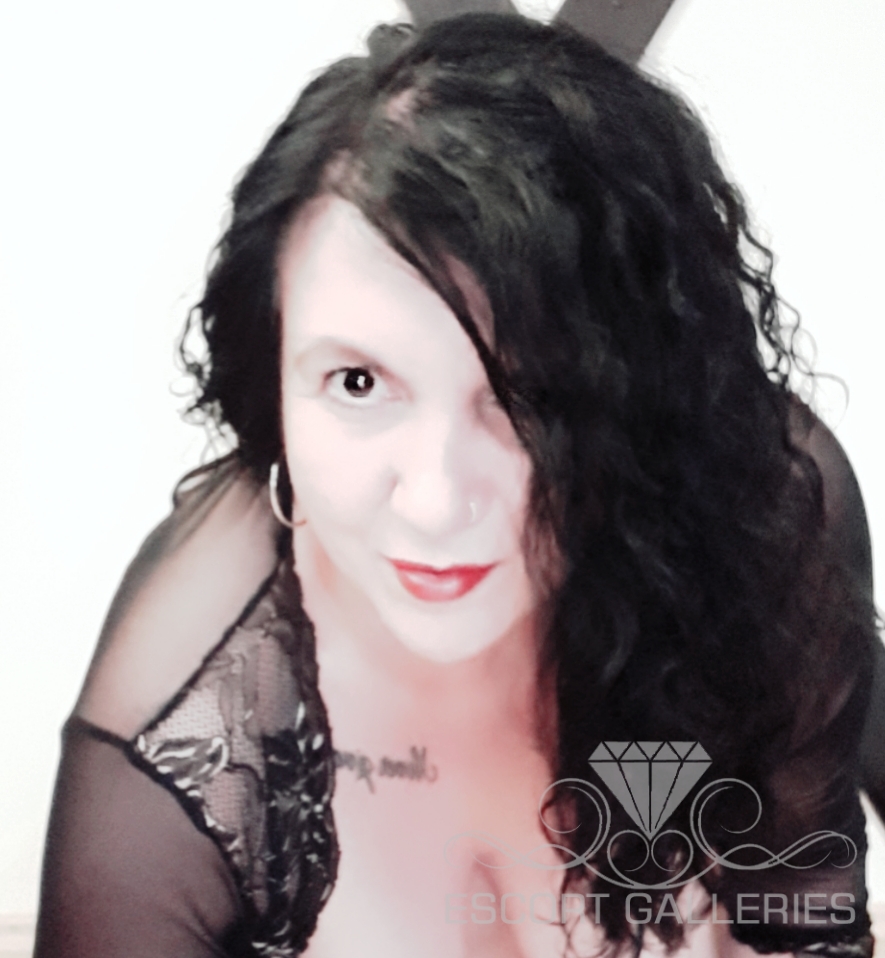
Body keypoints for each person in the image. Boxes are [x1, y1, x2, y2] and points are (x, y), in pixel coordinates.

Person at [33, 13, 881, 958]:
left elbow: (802, 920)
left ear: (646, 399)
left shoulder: (758, 513)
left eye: (528, 396)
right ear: (271, 380)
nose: (435, 502)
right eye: (358, 382)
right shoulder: (184, 723)